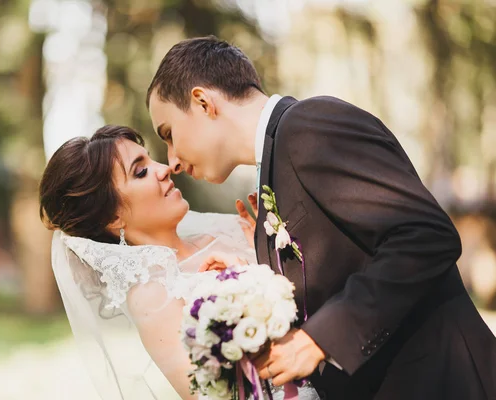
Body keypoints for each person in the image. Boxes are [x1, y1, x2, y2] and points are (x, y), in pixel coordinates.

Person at [147, 36, 496, 399]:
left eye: (169, 134)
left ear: (203, 102)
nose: (171, 160)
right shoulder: (275, 165)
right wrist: (259, 283)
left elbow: (425, 235)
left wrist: (319, 340)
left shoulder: (309, 126)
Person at [39, 125, 285, 399]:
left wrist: (270, 253)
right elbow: (212, 394)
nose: (164, 168)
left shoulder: (231, 229)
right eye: (141, 171)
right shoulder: (152, 295)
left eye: (150, 159)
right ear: (113, 217)